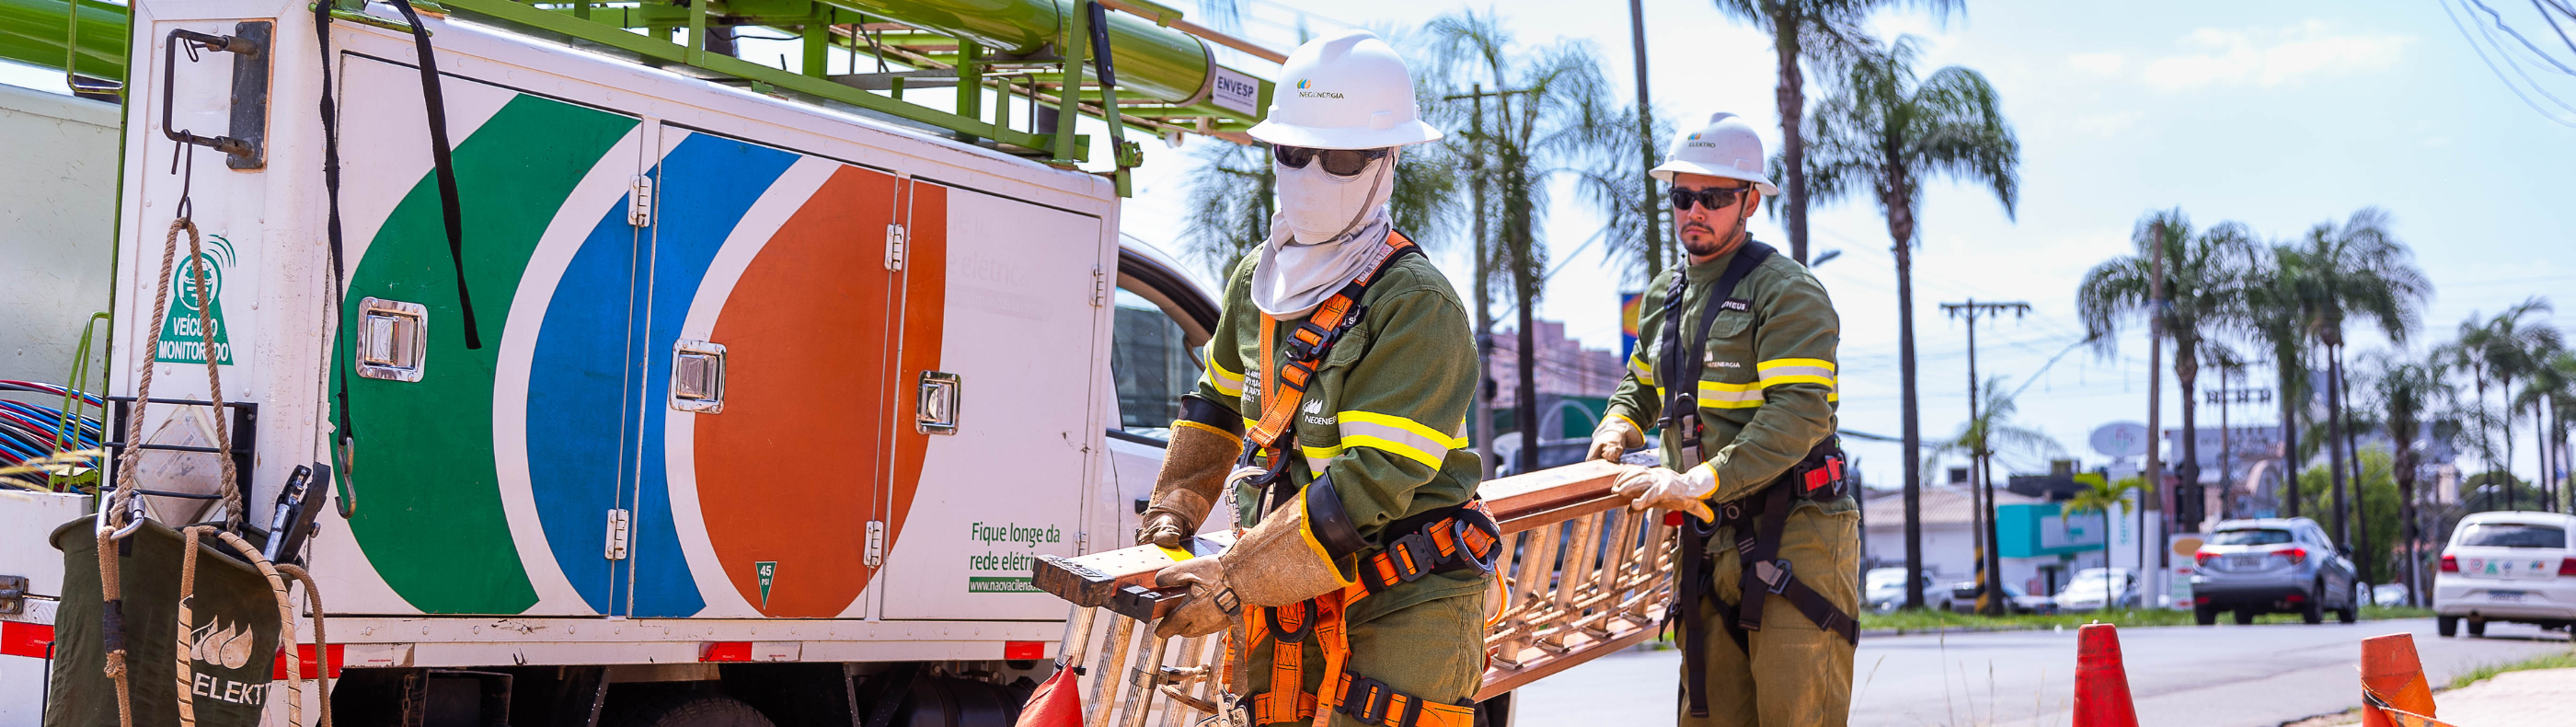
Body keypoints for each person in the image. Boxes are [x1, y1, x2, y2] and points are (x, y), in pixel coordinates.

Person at [1132, 29, 1498, 727]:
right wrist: (1173, 511)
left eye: (1339, 159)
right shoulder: (1259, 281)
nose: (1311, 176)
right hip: (1284, 586)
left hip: (1399, 604)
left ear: (1387, 163)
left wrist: (1233, 583)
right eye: (1294, 153)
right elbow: (1216, 405)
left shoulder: (1416, 305)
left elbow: (1367, 485)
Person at [1589, 111, 1857, 726]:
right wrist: (1618, 426)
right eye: (1683, 196)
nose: (1694, 211)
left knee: (1796, 715)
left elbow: (1801, 413)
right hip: (1706, 542)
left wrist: (1700, 479)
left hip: (1796, 534)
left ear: (1751, 202)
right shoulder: (1663, 296)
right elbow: (1642, 383)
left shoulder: (1787, 292)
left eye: (1712, 197)